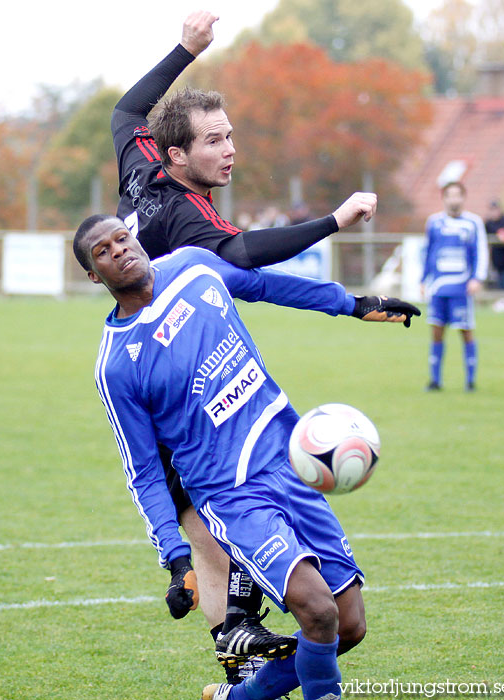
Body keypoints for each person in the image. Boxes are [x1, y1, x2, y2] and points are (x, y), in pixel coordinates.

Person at [111, 9, 380, 678]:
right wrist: (335, 221)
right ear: (177, 153)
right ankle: (232, 637)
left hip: (192, 375)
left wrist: (184, 50)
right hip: (179, 390)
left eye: (231, 136)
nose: (230, 150)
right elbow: (247, 258)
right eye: (213, 141)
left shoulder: (144, 168)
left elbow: (126, 110)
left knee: (217, 535)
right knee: (216, 527)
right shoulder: (190, 223)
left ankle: (232, 633)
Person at [73, 214, 420, 700]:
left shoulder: (195, 267)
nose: (119, 250)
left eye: (122, 238)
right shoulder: (115, 366)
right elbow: (144, 470)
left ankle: (240, 698)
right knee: (318, 611)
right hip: (229, 493)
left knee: (348, 626)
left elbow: (266, 285)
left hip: (290, 459)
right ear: (94, 275)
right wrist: (176, 561)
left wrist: (354, 304)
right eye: (103, 252)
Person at [421, 181, 489, 392]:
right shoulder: (434, 222)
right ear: (444, 198)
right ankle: (435, 380)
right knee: (436, 331)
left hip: (462, 286)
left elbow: (481, 251)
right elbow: (428, 252)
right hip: (439, 286)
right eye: (449, 195)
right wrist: (423, 280)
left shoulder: (473, 223)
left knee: (466, 331)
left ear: (463, 197)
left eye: (457, 195)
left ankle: (470, 381)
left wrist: (477, 277)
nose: (454, 199)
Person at [484, 200, 504, 290]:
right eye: (492, 210)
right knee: (499, 284)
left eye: (496, 209)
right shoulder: (488, 223)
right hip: (496, 261)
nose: (494, 212)